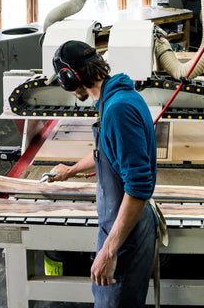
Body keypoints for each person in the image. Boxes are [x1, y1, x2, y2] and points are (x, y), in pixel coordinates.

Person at [48, 40, 157, 307]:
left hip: (125, 236)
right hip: (119, 227)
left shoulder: (118, 110)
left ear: (70, 78)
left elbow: (138, 186)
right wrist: (70, 170)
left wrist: (109, 250)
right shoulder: (114, 97)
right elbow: (107, 153)